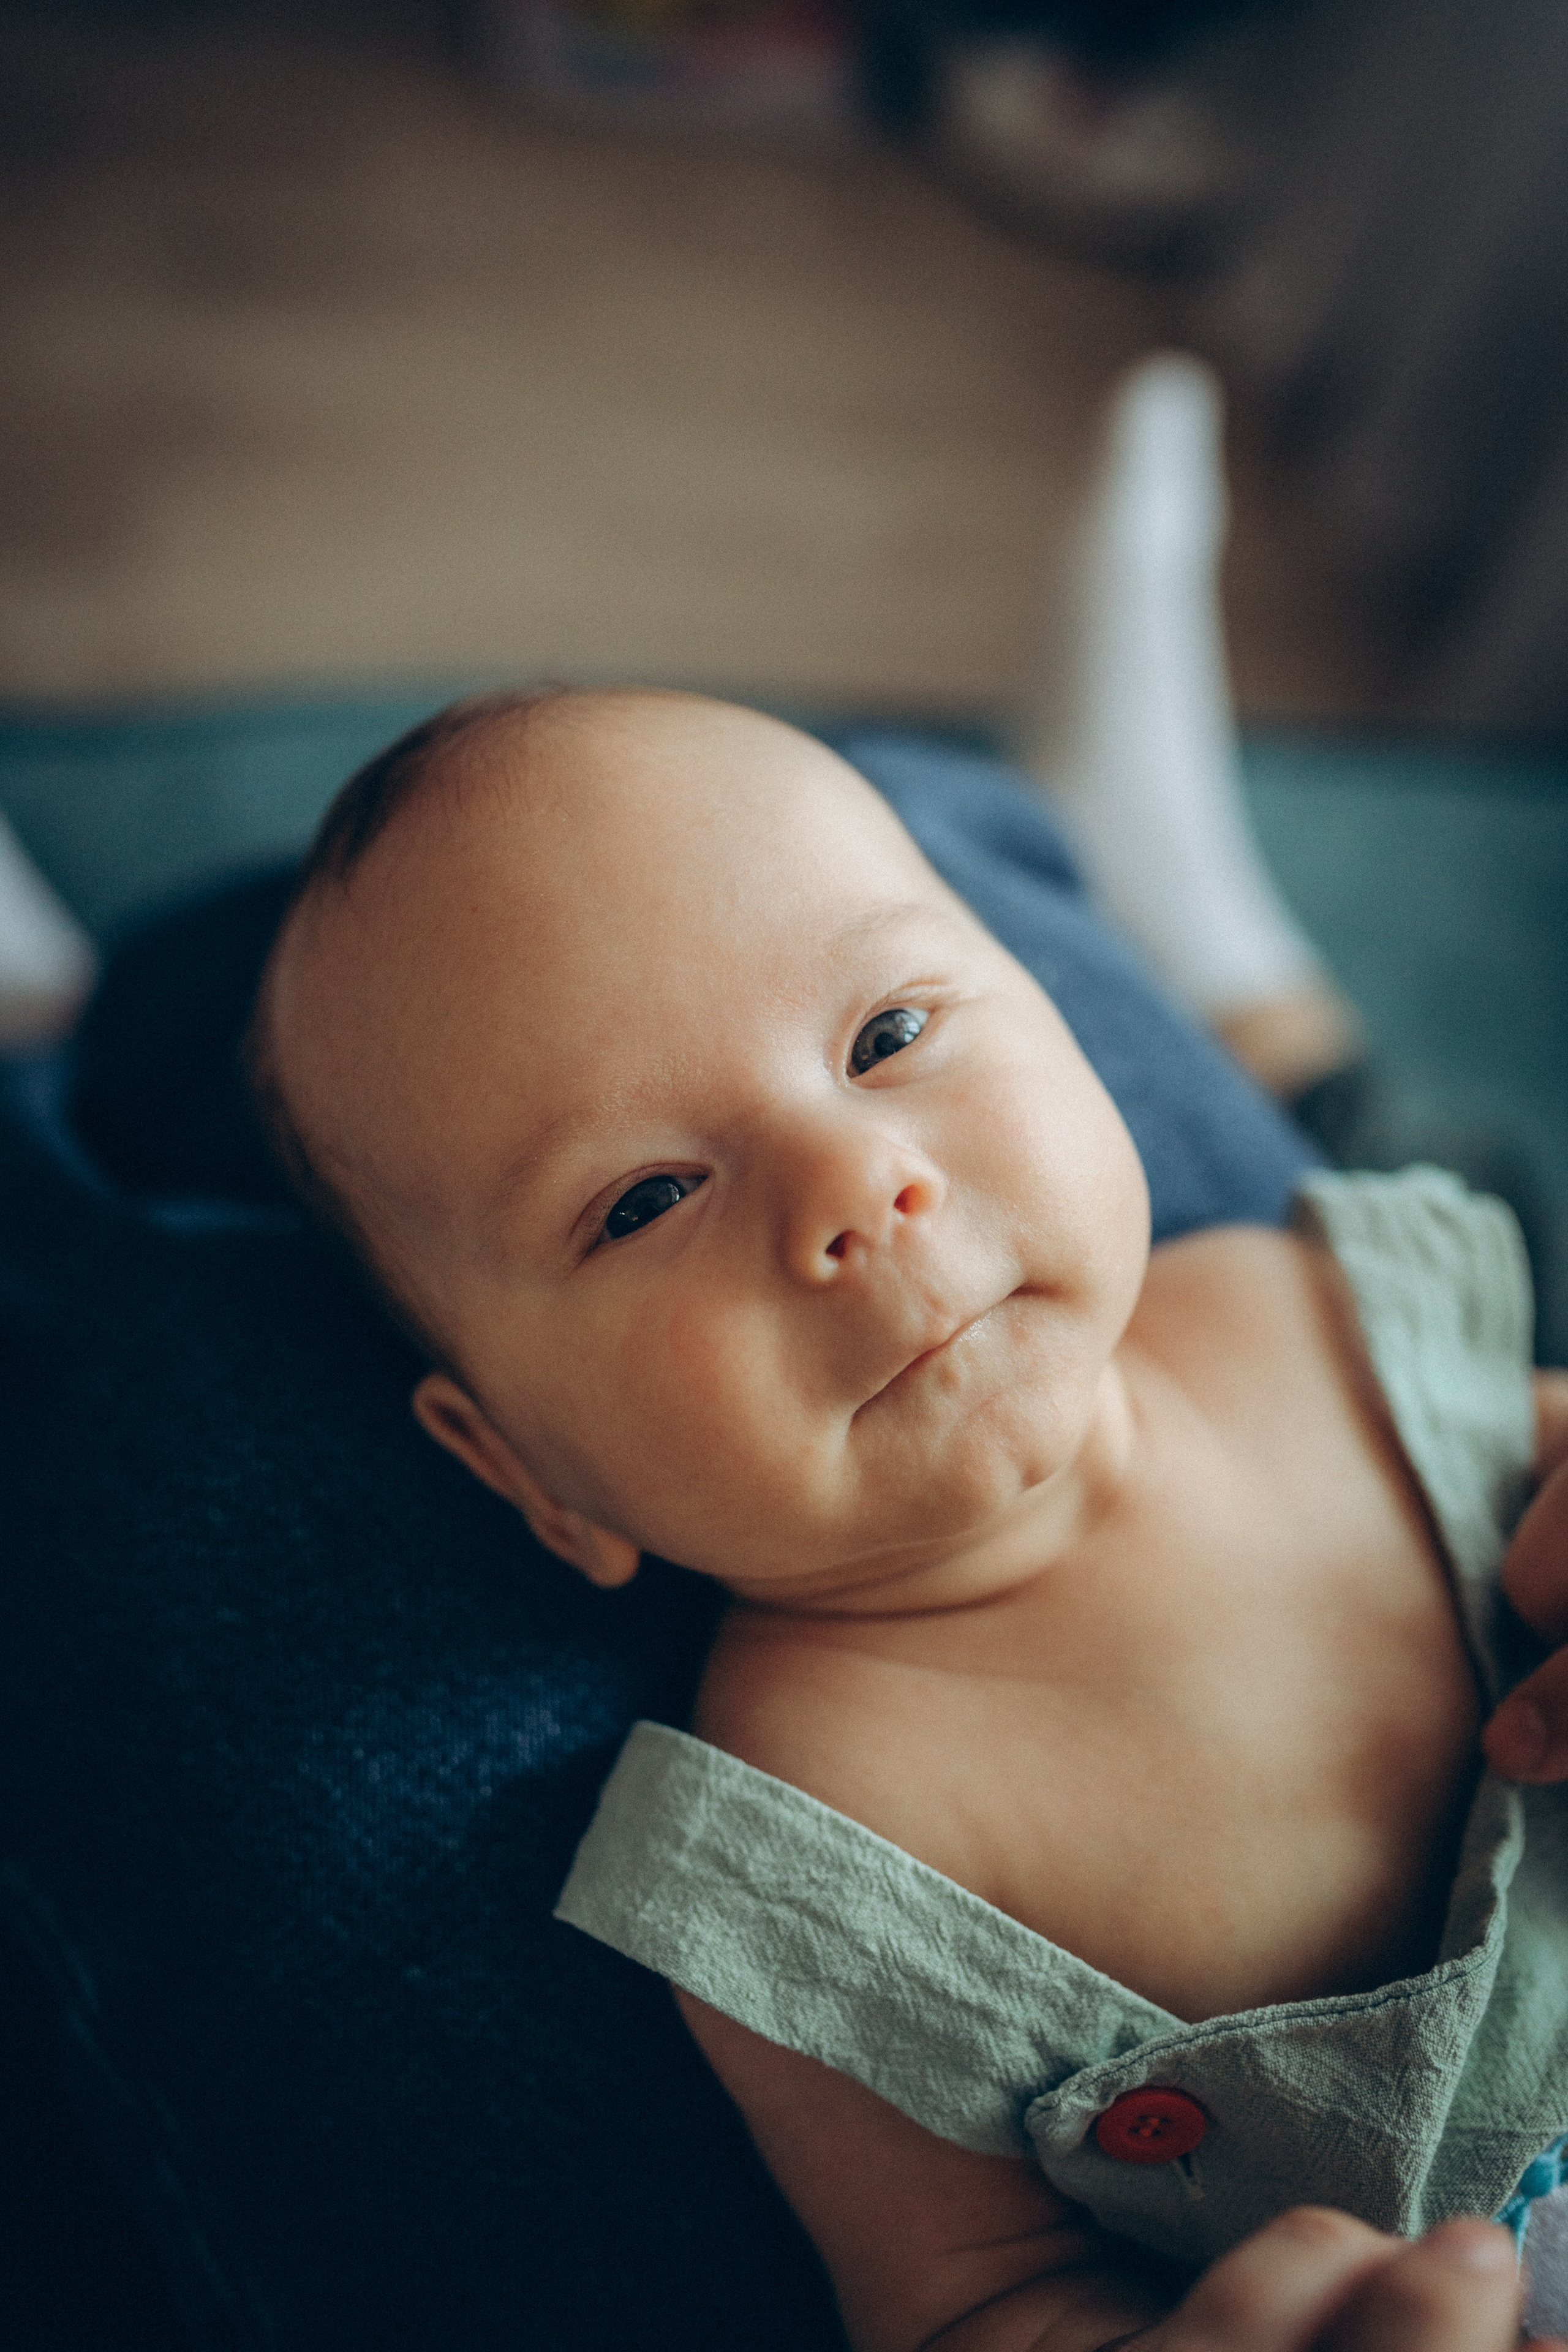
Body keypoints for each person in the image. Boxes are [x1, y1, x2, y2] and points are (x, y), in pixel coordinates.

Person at [247, 684, 1568, 2352]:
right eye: (646, 1199)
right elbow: (977, 2302)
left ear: (1075, 1023)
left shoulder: (1310, 1305)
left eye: (887, 1038)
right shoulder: (806, 1839)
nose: (856, 1187)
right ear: (528, 1472)